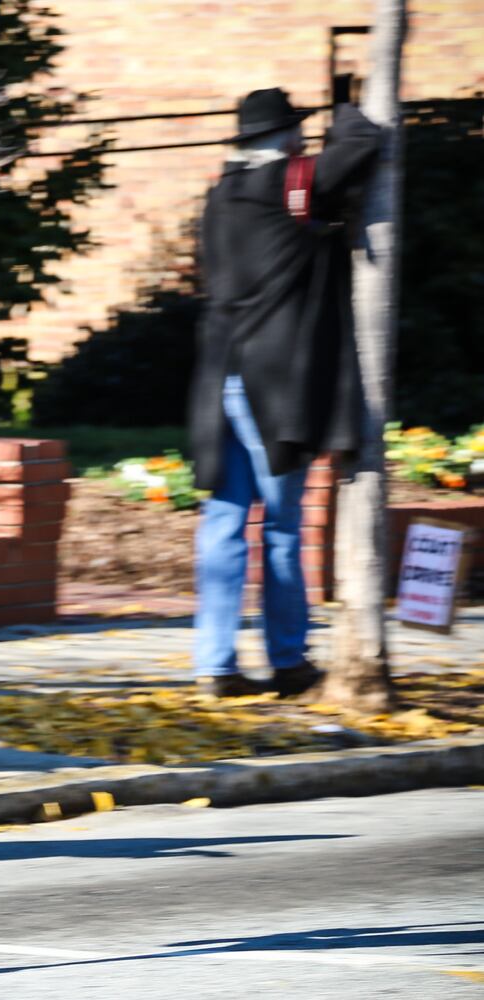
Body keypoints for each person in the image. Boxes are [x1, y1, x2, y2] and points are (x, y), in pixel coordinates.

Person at [188, 89, 381, 698]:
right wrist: (347, 104)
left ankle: (215, 665)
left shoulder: (220, 197)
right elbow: (364, 142)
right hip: (274, 388)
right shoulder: (292, 183)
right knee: (280, 526)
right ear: (288, 140)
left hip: (220, 378)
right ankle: (289, 660)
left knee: (222, 520)